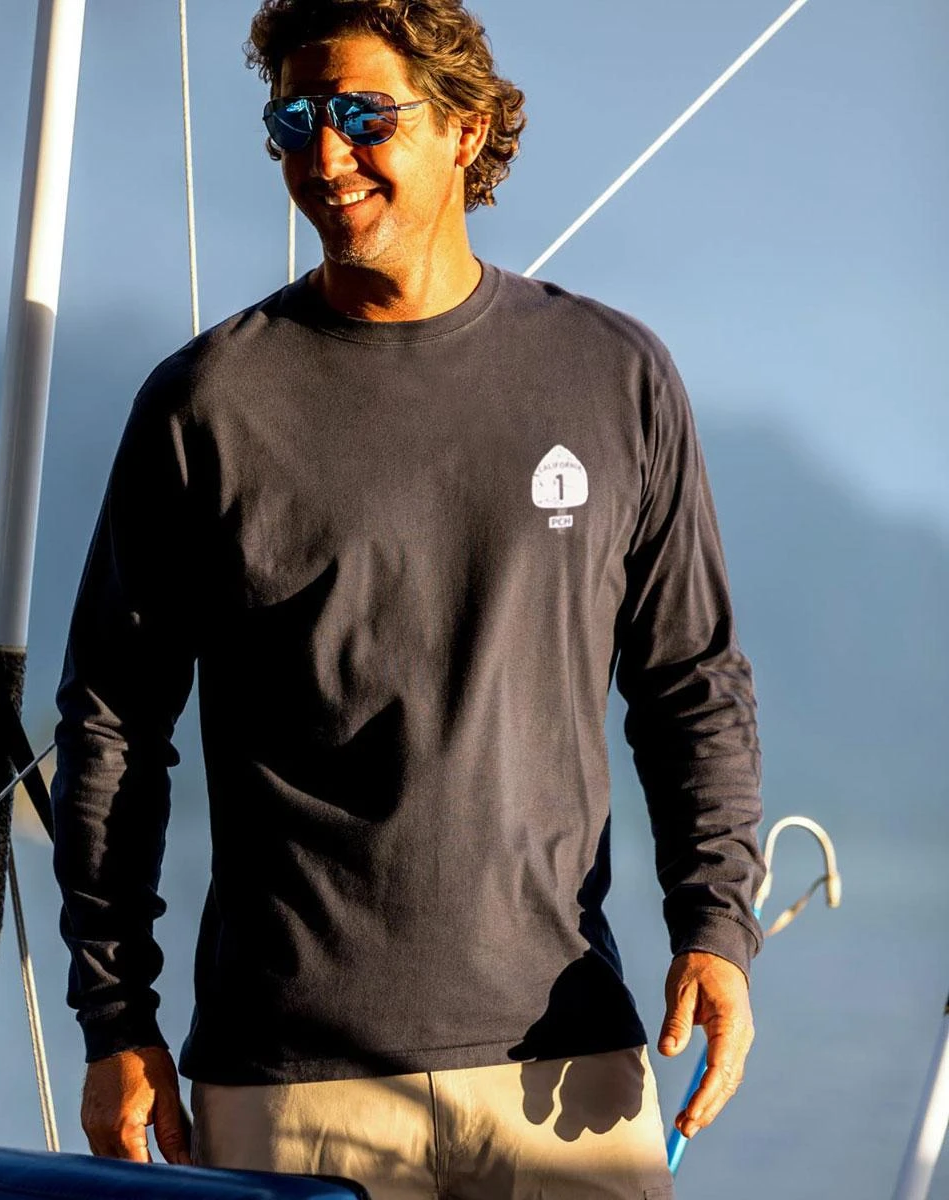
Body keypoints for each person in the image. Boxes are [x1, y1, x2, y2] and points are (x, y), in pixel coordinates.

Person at [52, 1, 765, 1197]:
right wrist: (116, 1019)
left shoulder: (613, 377)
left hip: (565, 1070)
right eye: (294, 120)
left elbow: (690, 684)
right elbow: (113, 726)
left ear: (462, 128)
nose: (323, 155)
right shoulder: (207, 405)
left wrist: (716, 926)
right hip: (289, 1084)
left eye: (361, 115)